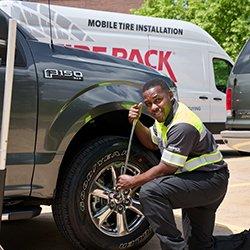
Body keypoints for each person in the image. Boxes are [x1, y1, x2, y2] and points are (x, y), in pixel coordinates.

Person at [117, 78, 229, 250]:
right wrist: (136, 122)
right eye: (148, 104)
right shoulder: (164, 119)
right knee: (199, 246)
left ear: (170, 95)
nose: (154, 107)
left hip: (210, 181)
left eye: (157, 100)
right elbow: (151, 143)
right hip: (201, 180)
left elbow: (167, 168)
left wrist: (133, 181)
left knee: (150, 192)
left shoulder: (182, 125)